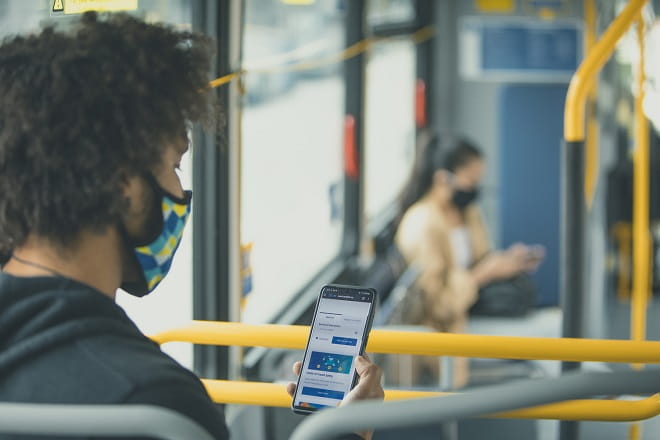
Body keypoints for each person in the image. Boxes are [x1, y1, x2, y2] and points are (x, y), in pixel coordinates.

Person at [0, 12, 382, 440]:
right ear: (124, 185)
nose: (180, 191)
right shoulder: (155, 406)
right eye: (174, 166)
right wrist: (344, 432)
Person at [395, 133, 543, 387]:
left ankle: (604, 391)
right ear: (443, 178)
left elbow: (476, 259)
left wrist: (508, 261)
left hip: (473, 308)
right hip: (449, 325)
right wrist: (484, 274)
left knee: (555, 324)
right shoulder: (423, 224)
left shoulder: (465, 211)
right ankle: (606, 395)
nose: (475, 189)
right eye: (471, 181)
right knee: (549, 337)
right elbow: (438, 305)